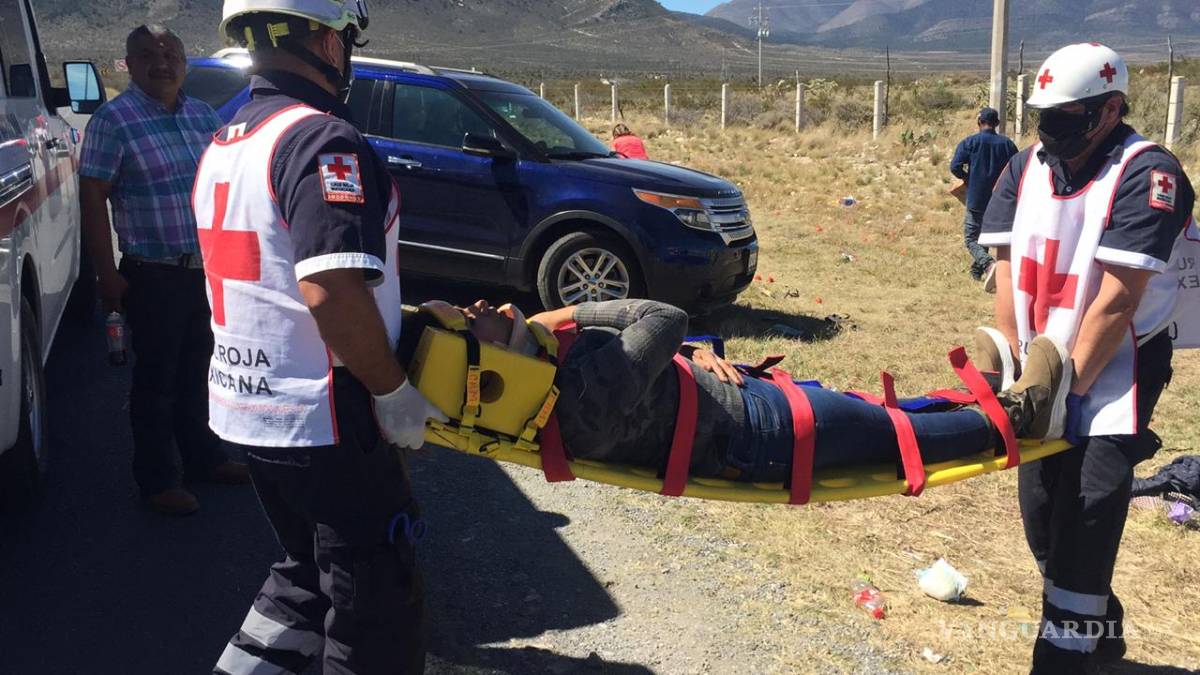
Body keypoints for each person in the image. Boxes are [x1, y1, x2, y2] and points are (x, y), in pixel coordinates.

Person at [199, 2, 446, 673]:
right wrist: (393, 391)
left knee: (305, 576)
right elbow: (330, 290)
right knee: (375, 609)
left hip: (252, 409)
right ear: (325, 39)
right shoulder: (322, 140)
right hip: (325, 418)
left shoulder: (230, 138)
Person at [978, 43, 1195, 673]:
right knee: (1042, 513)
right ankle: (1101, 628)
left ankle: (1065, 654)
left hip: (1116, 369)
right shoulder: (1024, 168)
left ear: (1110, 110)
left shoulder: (1147, 175)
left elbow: (1115, 302)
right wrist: (1019, 377)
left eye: (1067, 119)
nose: (1051, 132)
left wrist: (1066, 396)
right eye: (1043, 117)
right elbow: (1006, 271)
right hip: (1041, 372)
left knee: (1088, 509)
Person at [402, 298, 1068, 483]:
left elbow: (662, 343)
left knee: (874, 414)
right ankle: (1022, 413)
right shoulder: (578, 388)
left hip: (745, 414)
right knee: (894, 439)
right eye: (472, 317)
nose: (484, 303)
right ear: (478, 363)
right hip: (764, 434)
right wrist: (564, 315)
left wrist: (686, 354)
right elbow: (662, 318)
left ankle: (983, 396)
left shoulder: (552, 388)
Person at [79, 25, 248, 517]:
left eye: (171, 53)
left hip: (206, 271)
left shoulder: (203, 116)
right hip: (152, 273)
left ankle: (204, 458)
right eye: (148, 54)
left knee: (201, 371)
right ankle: (156, 481)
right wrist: (104, 274)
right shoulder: (113, 120)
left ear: (185, 63)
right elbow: (93, 198)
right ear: (128, 64)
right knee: (157, 381)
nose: (162, 62)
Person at [950, 107, 1018, 287]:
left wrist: (967, 178)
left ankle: (988, 265)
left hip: (976, 198)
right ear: (996, 124)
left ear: (979, 122)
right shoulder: (1007, 144)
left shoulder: (970, 142)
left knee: (971, 238)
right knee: (985, 235)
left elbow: (955, 166)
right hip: (1000, 199)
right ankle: (976, 272)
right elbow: (1017, 170)